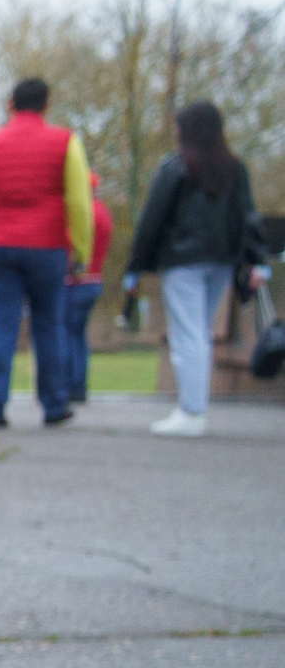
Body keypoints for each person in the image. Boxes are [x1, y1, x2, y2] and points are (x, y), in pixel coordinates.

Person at [123, 100, 270, 437]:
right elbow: (248, 216)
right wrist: (257, 259)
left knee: (188, 333)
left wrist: (136, 265)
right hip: (221, 260)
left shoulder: (177, 167)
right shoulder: (234, 168)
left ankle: (192, 410)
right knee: (199, 331)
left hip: (181, 261)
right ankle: (194, 407)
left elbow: (152, 219)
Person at [0, 76, 94, 430]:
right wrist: (81, 250)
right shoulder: (65, 142)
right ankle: (54, 405)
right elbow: (79, 202)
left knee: (2, 325)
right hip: (47, 246)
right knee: (49, 325)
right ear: (46, 104)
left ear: (10, 103)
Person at [62, 171, 113, 405]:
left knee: (66, 334)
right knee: (79, 336)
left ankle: (68, 386)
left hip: (75, 281)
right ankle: (79, 386)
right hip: (94, 280)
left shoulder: (83, 213)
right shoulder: (103, 212)